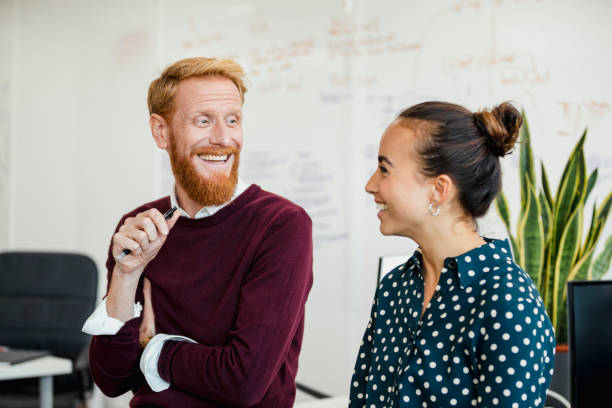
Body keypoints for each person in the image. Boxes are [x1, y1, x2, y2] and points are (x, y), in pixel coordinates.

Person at [82, 57, 313, 407]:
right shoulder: (141, 228)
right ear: (162, 131)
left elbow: (243, 382)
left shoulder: (280, 224)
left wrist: (154, 347)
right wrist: (126, 277)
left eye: (232, 120)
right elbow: (112, 379)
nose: (223, 138)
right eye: (203, 121)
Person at [349, 102, 555, 407]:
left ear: (439, 188)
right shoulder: (394, 288)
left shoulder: (507, 300)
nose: (370, 185)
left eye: (384, 169)